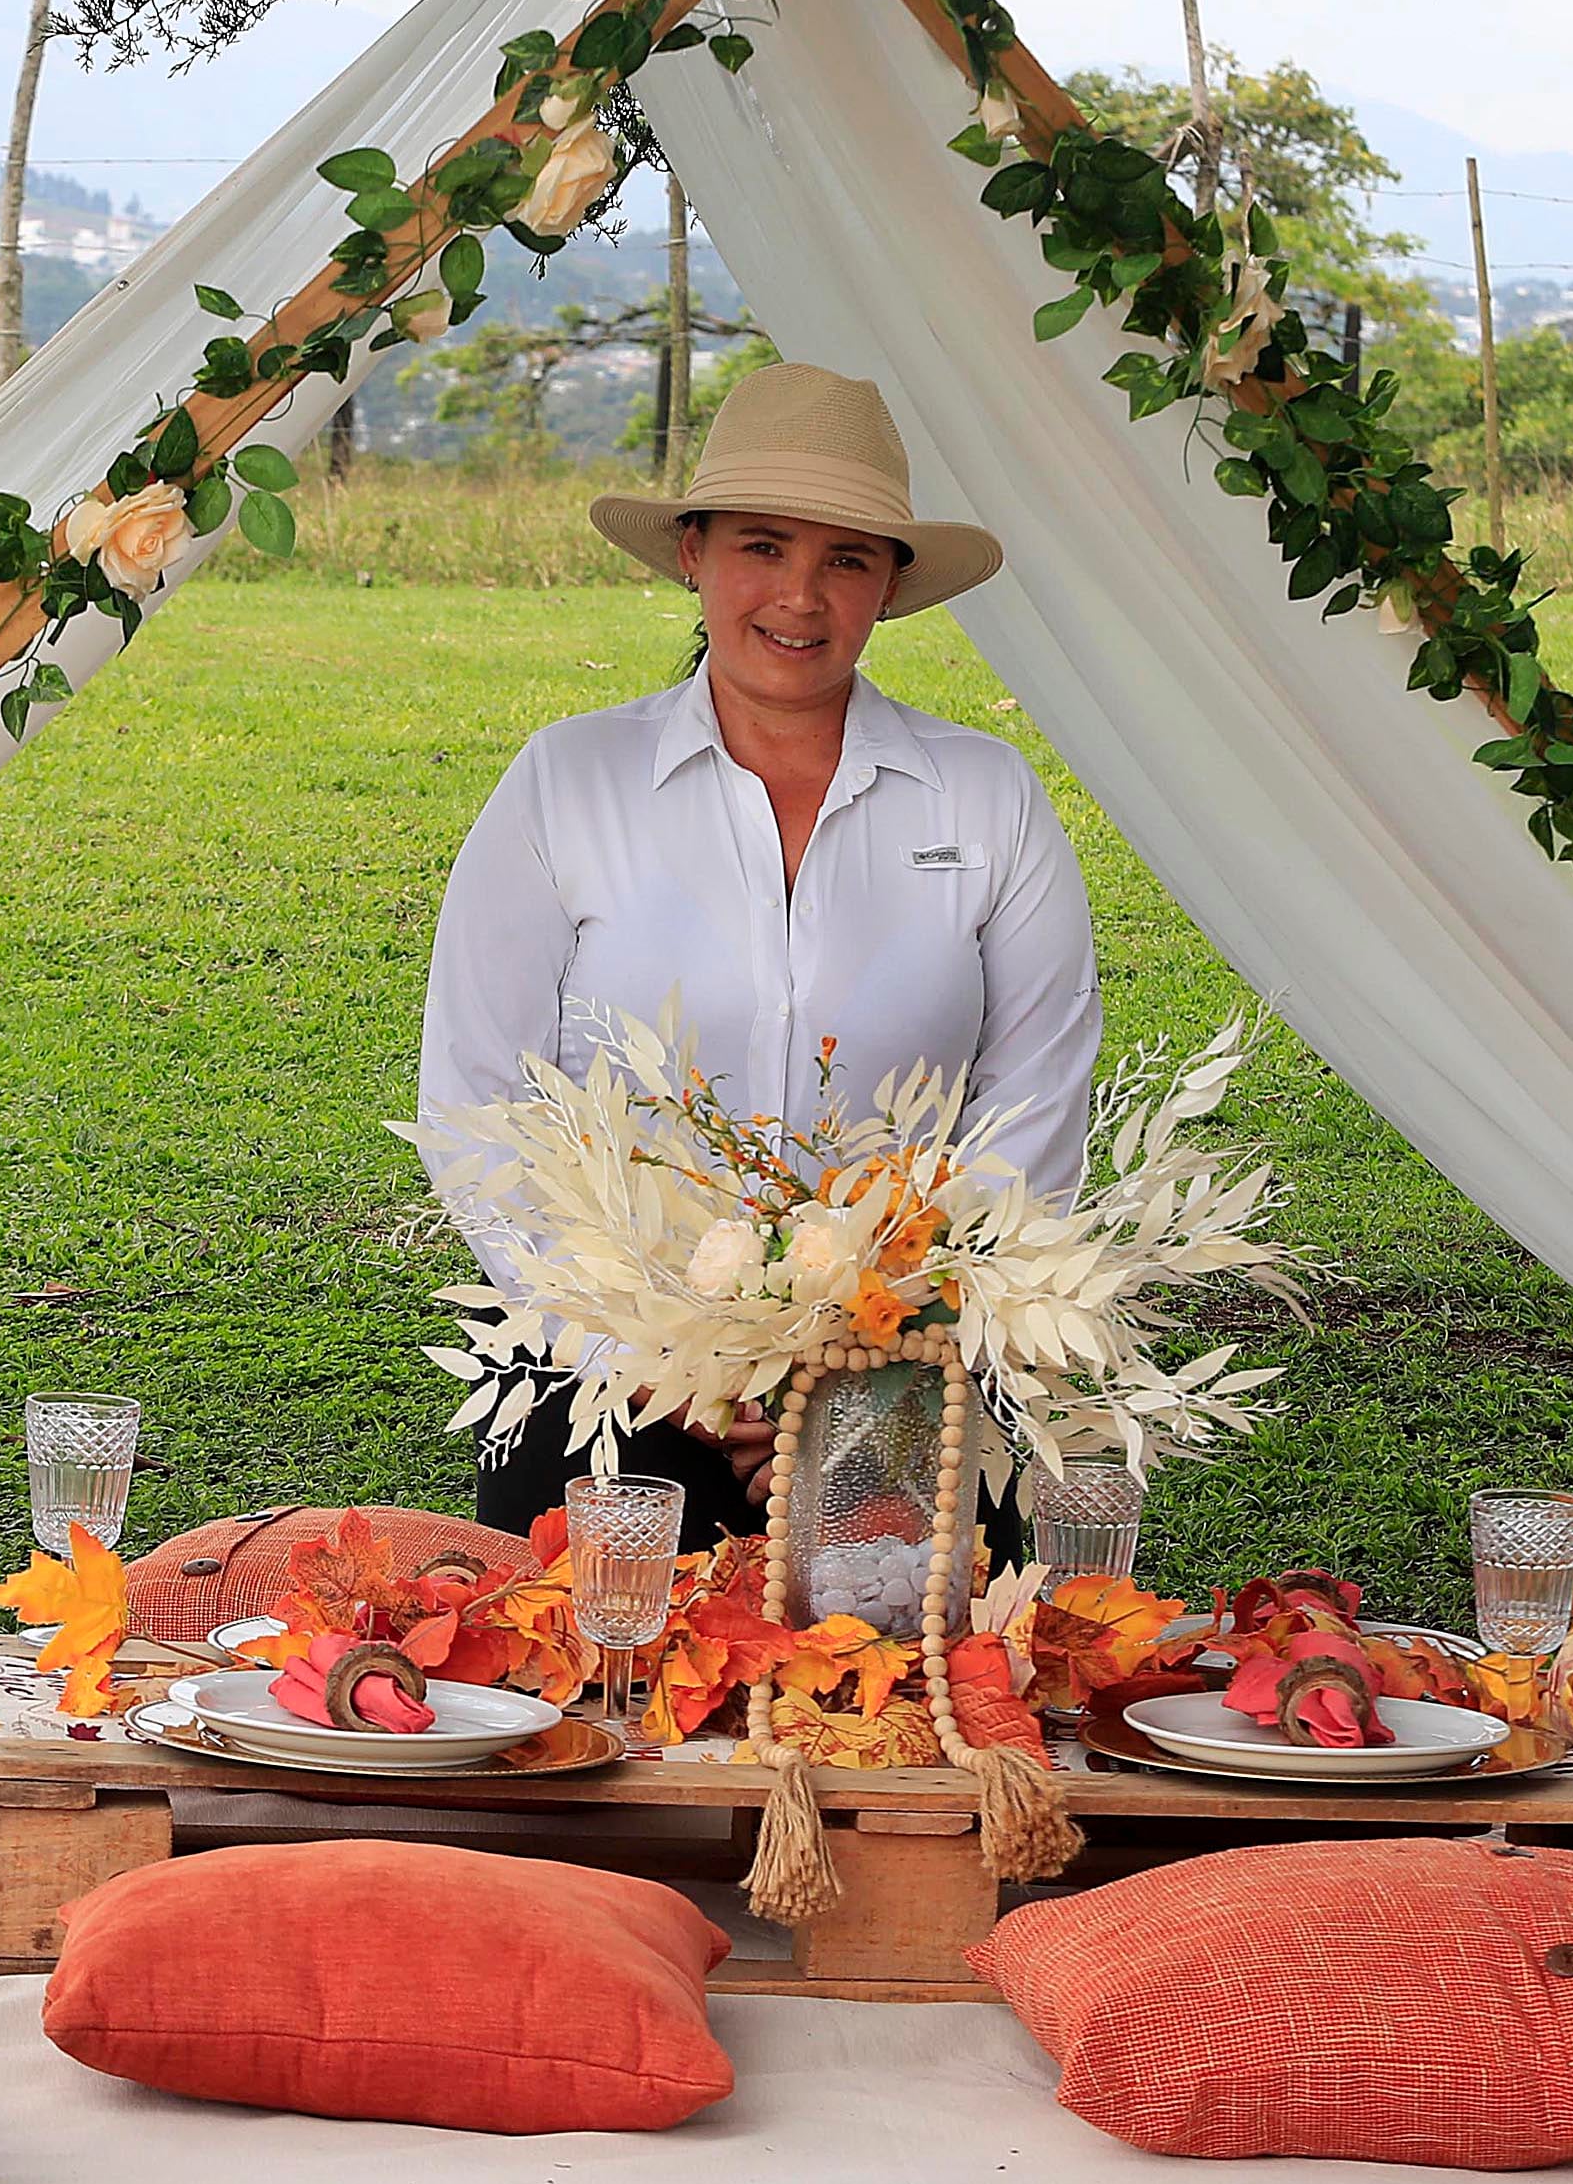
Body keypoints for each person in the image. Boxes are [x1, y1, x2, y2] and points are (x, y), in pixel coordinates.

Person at [418, 361, 1102, 1545]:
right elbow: (478, 1095)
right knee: (588, 1716)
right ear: (692, 552)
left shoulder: (986, 796)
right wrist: (642, 1350)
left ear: (890, 586)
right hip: (604, 1394)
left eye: (847, 558)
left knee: (907, 1717)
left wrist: (861, 1347)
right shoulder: (567, 781)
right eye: (763, 546)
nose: (800, 594)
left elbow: (1036, 1101)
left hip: (902, 1391)